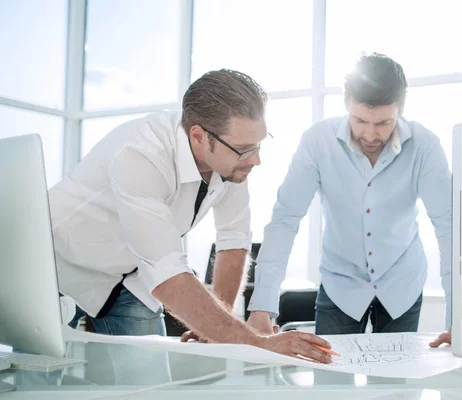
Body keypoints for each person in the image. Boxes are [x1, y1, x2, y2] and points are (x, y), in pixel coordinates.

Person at [49, 69, 332, 363]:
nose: (256, 160)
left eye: (258, 145)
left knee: (151, 378)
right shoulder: (141, 153)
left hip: (129, 278)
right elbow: (168, 273)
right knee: (41, 377)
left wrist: (216, 329)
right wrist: (256, 343)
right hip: (62, 266)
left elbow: (233, 241)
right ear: (198, 136)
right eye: (246, 150)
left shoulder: (232, 162)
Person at [247, 54, 452, 348]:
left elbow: (448, 227)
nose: (370, 134)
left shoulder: (425, 145)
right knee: (330, 384)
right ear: (346, 104)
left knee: (394, 389)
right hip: (339, 284)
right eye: (360, 120)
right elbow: (285, 219)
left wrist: (459, 319)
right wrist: (261, 307)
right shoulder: (318, 141)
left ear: (401, 108)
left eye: (383, 123)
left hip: (402, 284)